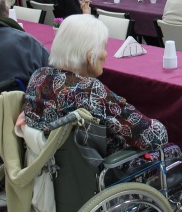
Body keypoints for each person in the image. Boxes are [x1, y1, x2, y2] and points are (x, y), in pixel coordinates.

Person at [24, 15, 170, 156]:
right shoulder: (90, 90)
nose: (106, 54)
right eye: (104, 47)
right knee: (171, 151)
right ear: (90, 56)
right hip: (104, 171)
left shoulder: (39, 75)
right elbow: (155, 137)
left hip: (47, 165)